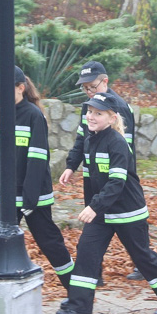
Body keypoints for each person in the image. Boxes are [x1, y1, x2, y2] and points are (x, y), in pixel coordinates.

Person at [55, 92, 157, 314]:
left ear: (112, 118)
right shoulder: (90, 137)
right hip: (103, 213)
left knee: (142, 256)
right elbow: (82, 155)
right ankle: (80, 310)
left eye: (98, 113)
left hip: (127, 212)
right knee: (86, 253)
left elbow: (117, 182)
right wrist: (70, 167)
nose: (91, 117)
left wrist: (94, 207)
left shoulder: (117, 143)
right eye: (89, 112)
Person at [0, 68, 74, 289]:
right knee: (1, 242)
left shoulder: (34, 116)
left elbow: (37, 160)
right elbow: (3, 157)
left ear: (21, 88)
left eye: (4, 91)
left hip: (32, 196)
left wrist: (30, 198)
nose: (0, 96)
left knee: (50, 243)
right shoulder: (5, 114)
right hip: (9, 195)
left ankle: (77, 289)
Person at [59, 60, 140, 281]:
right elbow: (80, 140)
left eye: (92, 87)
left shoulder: (119, 107)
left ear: (105, 81)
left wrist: (119, 178)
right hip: (93, 178)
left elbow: (125, 150)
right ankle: (93, 273)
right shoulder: (89, 109)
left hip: (116, 179)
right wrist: (71, 166)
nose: (88, 92)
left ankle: (143, 264)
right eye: (84, 88)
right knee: (95, 228)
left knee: (128, 230)